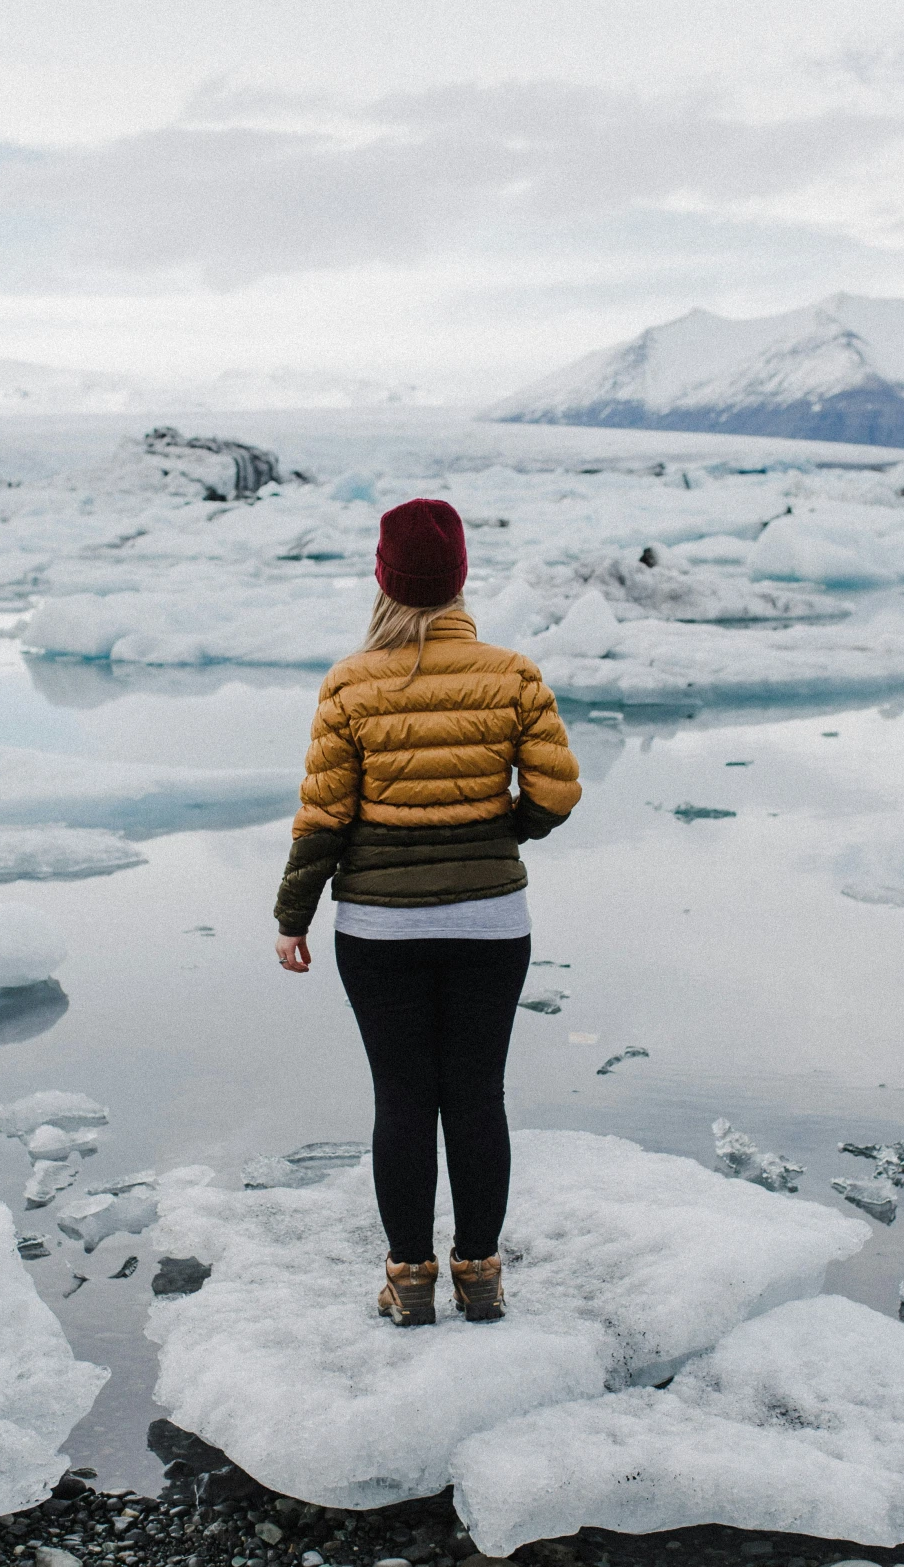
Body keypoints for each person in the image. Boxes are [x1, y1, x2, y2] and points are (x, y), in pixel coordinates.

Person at [272, 498, 582, 1328]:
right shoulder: (512, 673)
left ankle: (409, 1282)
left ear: (384, 579)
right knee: (478, 1096)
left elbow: (325, 817)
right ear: (459, 579)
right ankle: (479, 1277)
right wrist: (501, 830)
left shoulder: (350, 683)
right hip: (491, 922)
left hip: (379, 930)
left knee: (402, 1098)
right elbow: (556, 791)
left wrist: (292, 915)